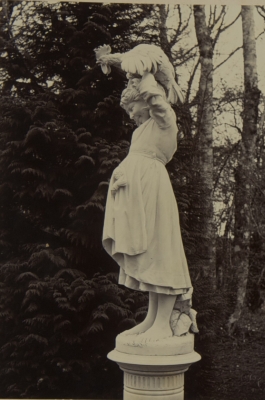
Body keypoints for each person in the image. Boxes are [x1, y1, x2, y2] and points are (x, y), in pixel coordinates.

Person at [102, 72, 192, 342]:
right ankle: (153, 318)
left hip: (153, 191)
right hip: (139, 195)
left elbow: (159, 105)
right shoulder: (141, 130)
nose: (130, 115)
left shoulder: (164, 122)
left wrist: (144, 79)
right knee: (150, 254)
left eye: (132, 108)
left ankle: (164, 323)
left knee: (161, 249)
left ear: (144, 99)